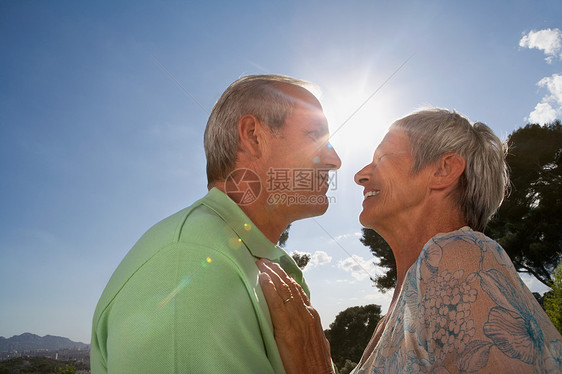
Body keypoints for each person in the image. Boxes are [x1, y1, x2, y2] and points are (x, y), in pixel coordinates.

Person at [258, 108, 562, 373]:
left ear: (443, 170)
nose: (360, 175)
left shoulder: (461, 255)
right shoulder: (401, 308)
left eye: (383, 158)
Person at [90, 74, 341, 373]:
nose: (335, 159)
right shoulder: (189, 261)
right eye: (315, 135)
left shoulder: (245, 257)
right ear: (253, 136)